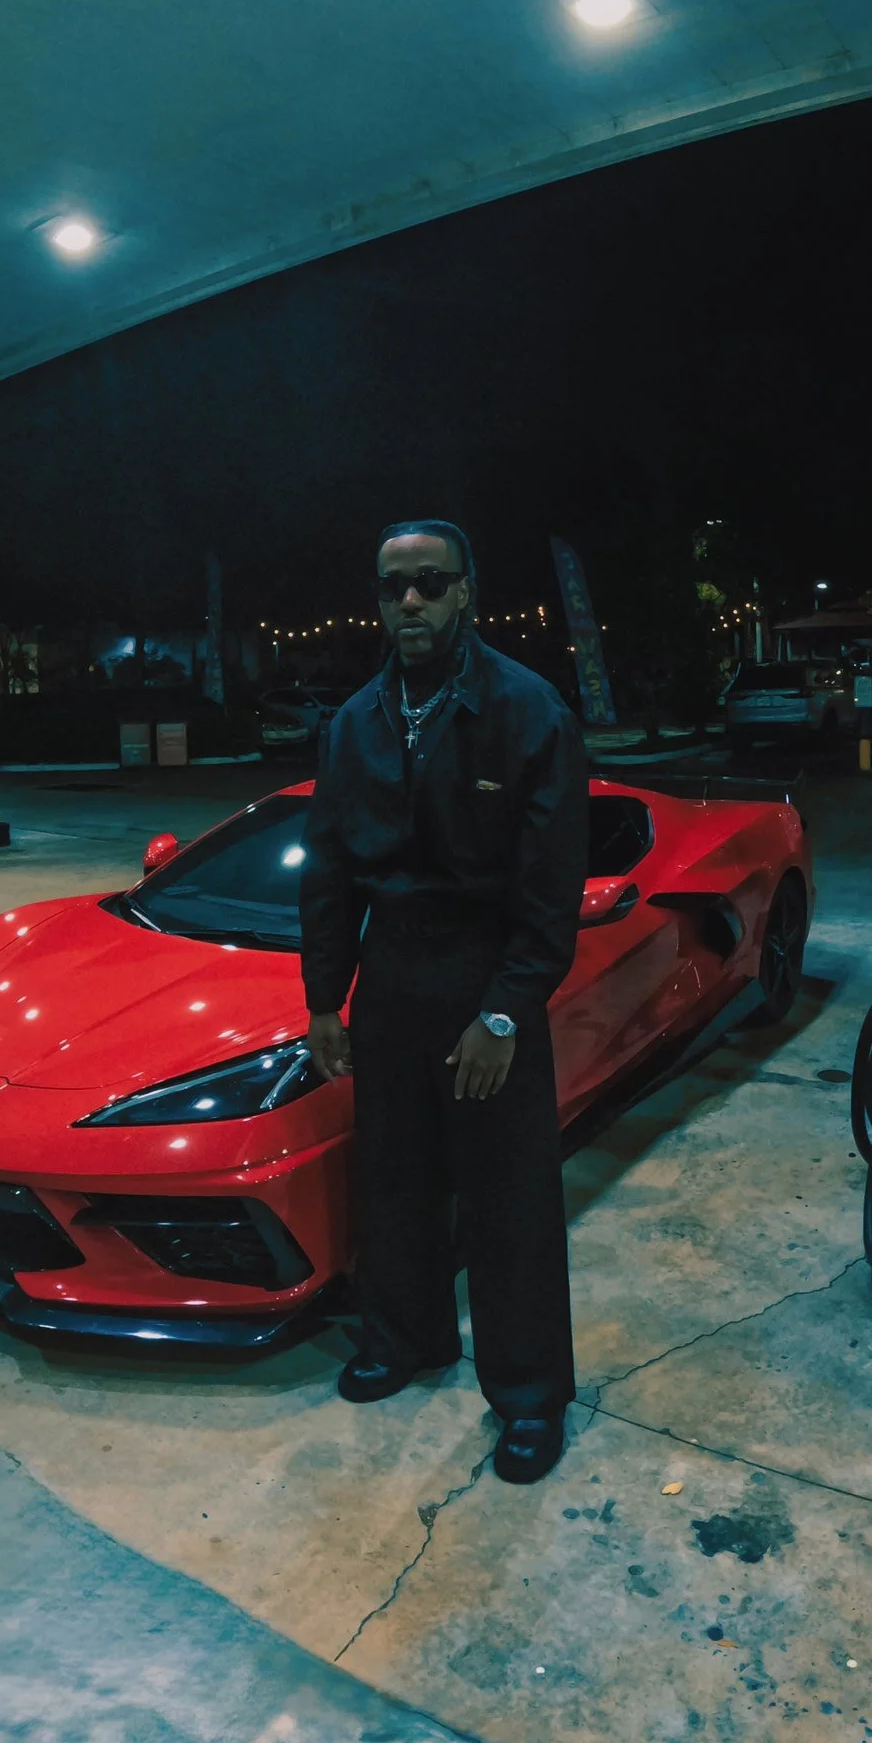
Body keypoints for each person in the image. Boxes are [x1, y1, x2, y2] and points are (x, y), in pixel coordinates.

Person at [299, 519, 591, 1483]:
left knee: (510, 1203)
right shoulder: (354, 723)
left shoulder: (528, 710)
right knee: (397, 1179)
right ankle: (405, 1337)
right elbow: (330, 875)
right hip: (391, 979)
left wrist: (506, 1011)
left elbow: (550, 893)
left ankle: (529, 1396)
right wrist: (326, 999)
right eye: (393, 588)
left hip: (488, 972)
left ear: (466, 591)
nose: (411, 602)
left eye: (430, 582)